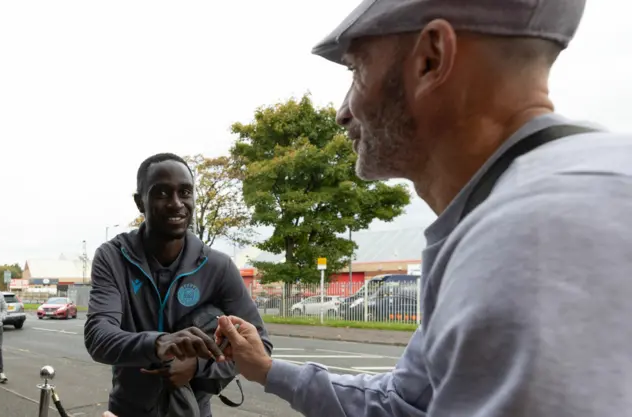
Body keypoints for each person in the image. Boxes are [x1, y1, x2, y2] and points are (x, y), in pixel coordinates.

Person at [214, 0, 632, 416]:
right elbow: (406, 402)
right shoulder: (525, 207)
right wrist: (267, 369)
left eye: (356, 71)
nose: (343, 113)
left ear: (432, 59)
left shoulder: (532, 238)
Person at [85, 153, 272, 417]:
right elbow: (98, 336)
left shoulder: (218, 267)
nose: (176, 204)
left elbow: (260, 346)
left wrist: (197, 367)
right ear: (140, 202)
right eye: (161, 193)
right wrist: (159, 344)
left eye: (184, 192)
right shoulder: (113, 256)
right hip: (128, 409)